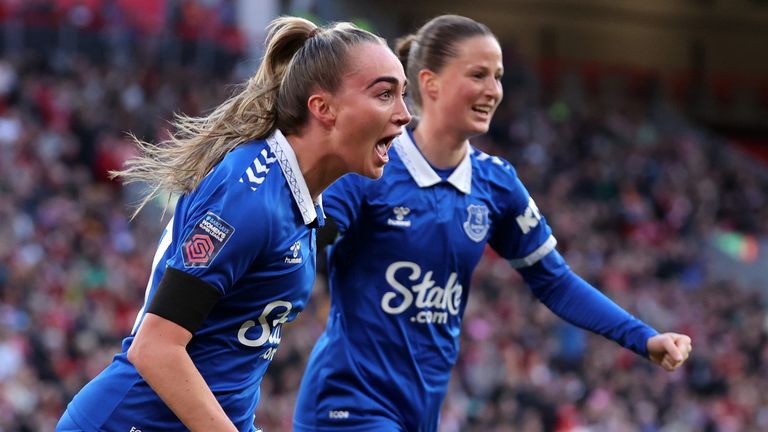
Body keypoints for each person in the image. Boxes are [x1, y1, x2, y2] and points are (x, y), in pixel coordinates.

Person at [293, 14, 692, 432]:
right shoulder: (372, 167)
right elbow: (300, 237)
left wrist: (643, 337)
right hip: (345, 404)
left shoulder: (496, 184)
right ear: (430, 83)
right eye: (479, 75)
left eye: (498, 77)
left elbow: (554, 281)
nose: (494, 91)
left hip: (419, 412)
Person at [56, 16, 410, 432]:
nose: (404, 114)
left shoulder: (297, 196)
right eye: (385, 94)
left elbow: (227, 360)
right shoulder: (250, 196)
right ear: (323, 108)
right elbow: (155, 347)